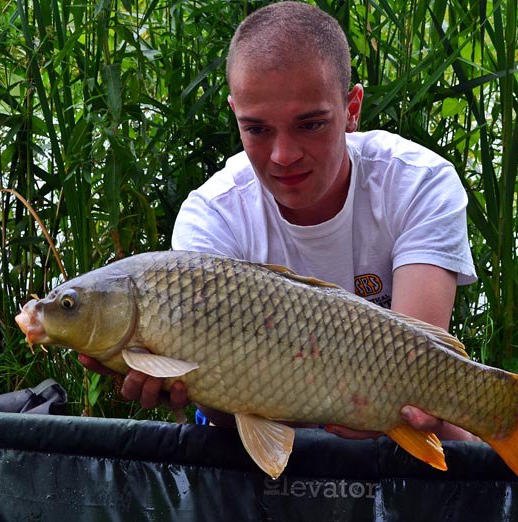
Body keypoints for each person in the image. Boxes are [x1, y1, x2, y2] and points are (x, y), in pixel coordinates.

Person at [81, 1, 477, 441]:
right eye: (257, 129)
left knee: (455, 432)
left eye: (309, 125)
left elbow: (416, 371)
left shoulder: (417, 182)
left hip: (390, 419)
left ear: (352, 108)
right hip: (254, 437)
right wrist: (186, 388)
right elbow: (223, 408)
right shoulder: (212, 216)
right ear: (235, 113)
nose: (283, 156)